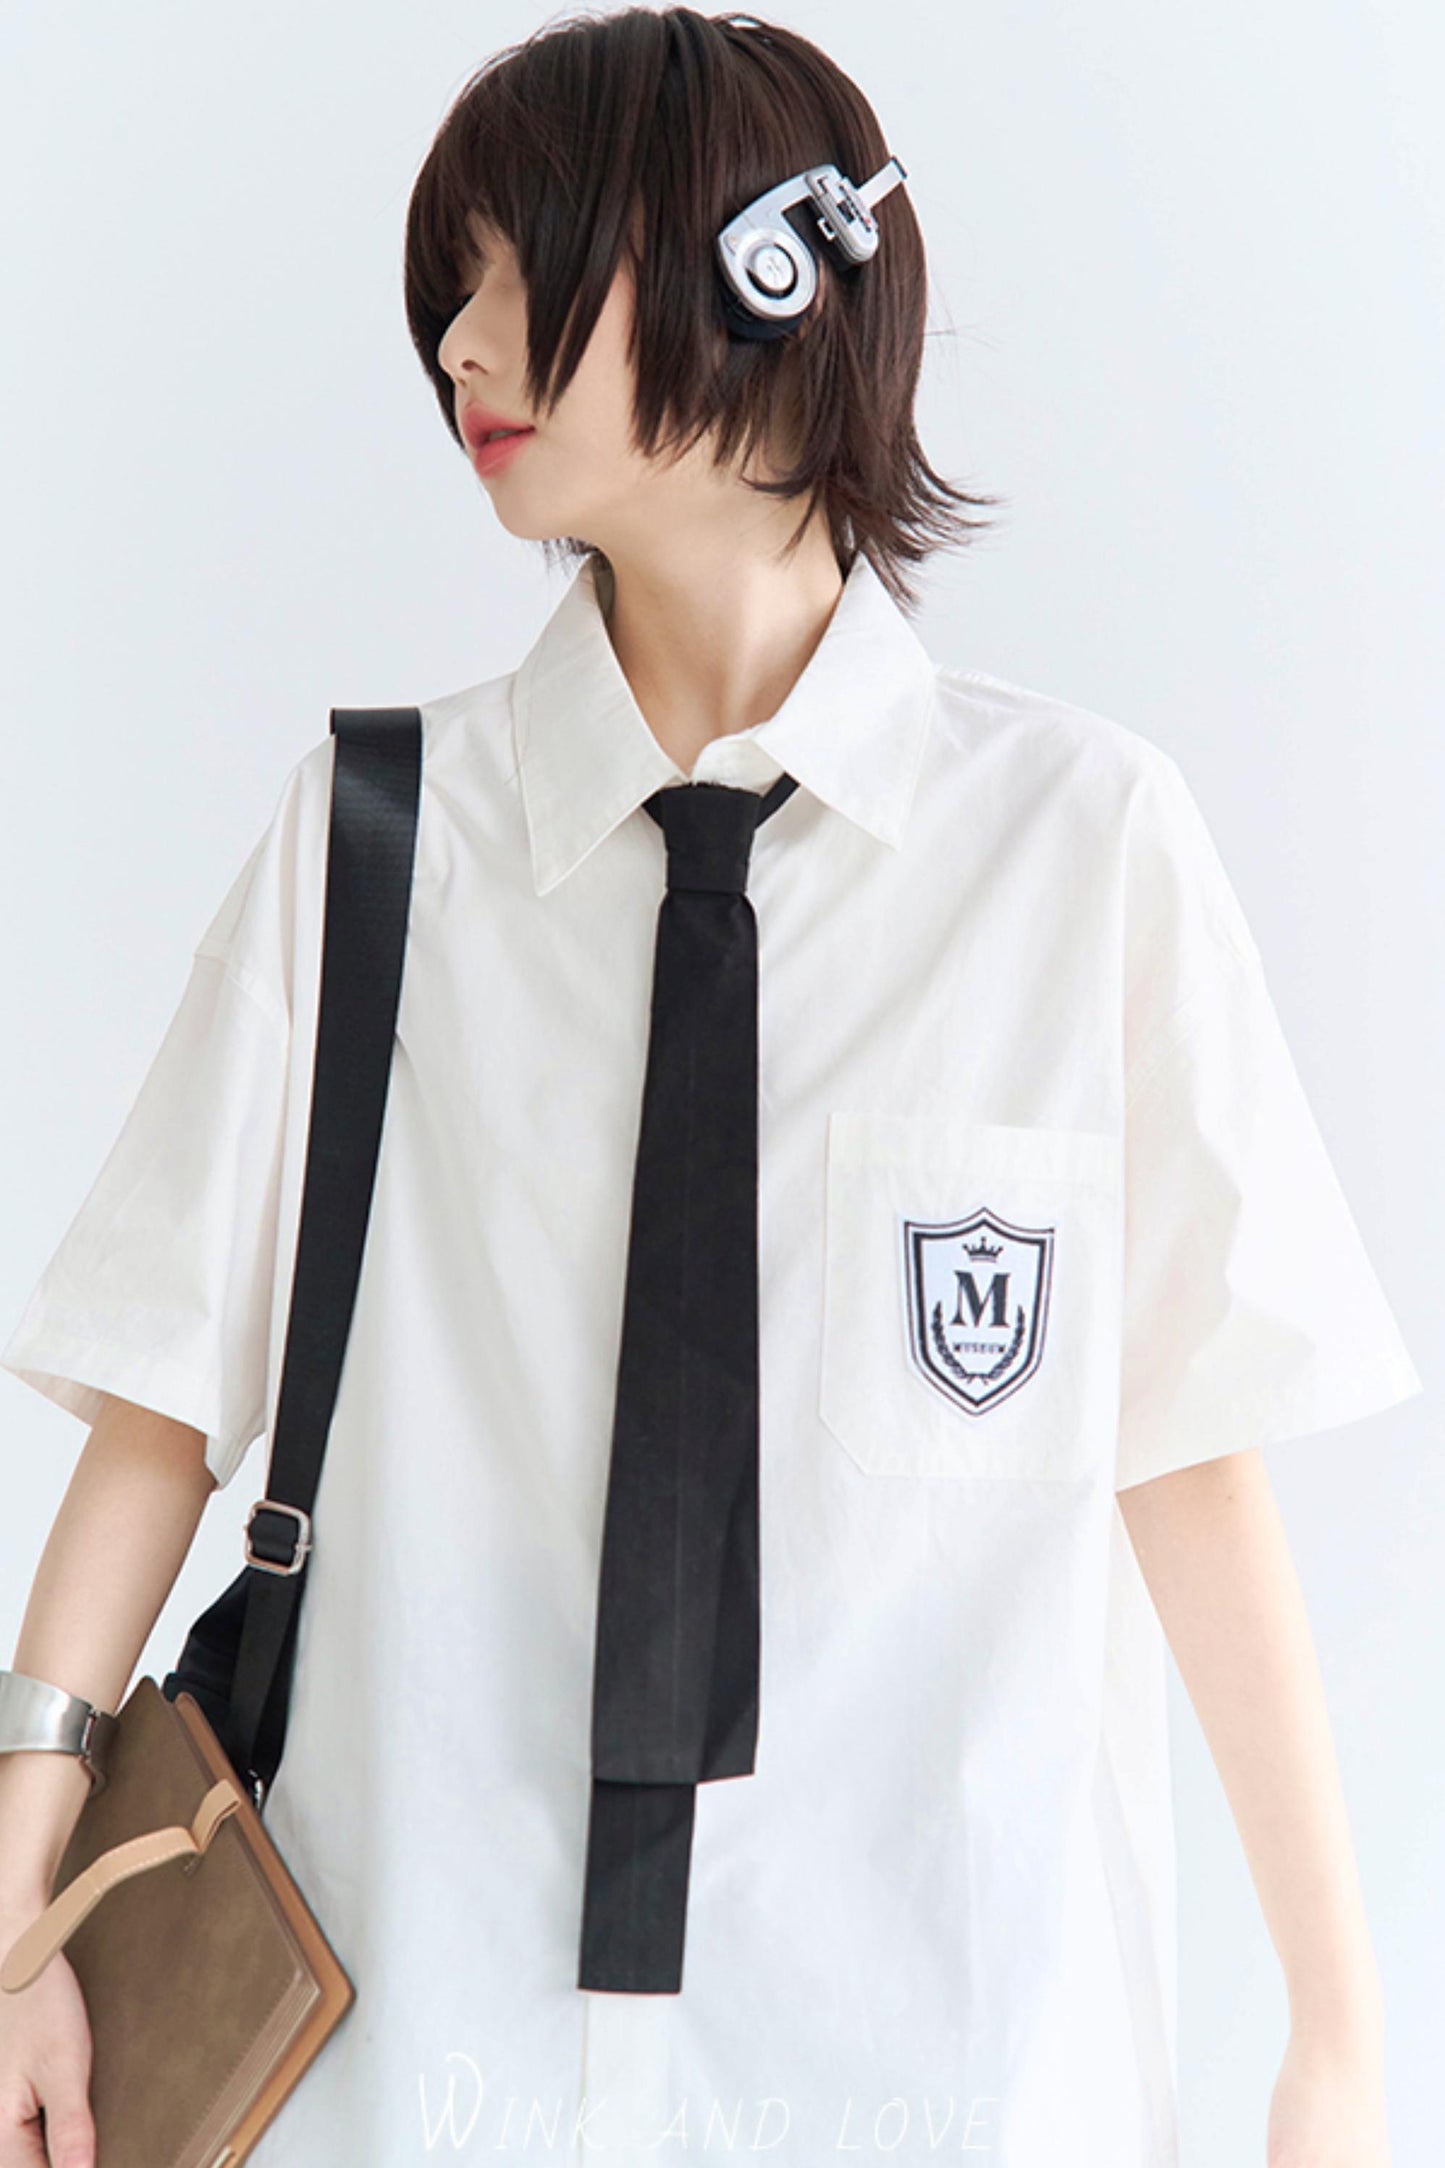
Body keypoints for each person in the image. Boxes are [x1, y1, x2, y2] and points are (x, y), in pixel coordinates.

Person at [0, 10, 1421, 2166]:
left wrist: (1335, 2030)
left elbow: (1187, 1454)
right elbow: (161, 1409)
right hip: (415, 2047)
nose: (460, 346)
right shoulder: (377, 845)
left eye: (521, 270)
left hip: (939, 2068)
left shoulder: (1077, 851)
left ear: (768, 279)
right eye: (450, 286)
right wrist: (19, 1909)